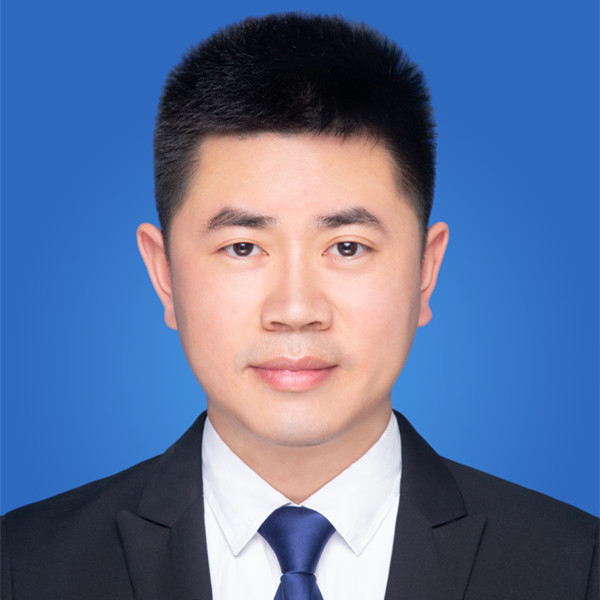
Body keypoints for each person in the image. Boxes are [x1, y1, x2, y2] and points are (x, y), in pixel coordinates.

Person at [1, 12, 597, 600]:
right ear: (164, 274)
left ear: (425, 270)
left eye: (347, 247)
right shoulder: (22, 567)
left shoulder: (576, 568)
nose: (294, 309)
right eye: (242, 247)